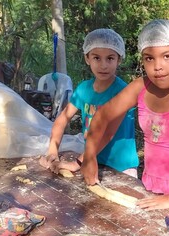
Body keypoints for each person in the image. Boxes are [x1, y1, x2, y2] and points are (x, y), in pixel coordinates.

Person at [81, 19, 169, 210]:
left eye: (167, 56)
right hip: (152, 187)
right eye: (149, 58)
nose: (157, 66)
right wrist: (89, 157)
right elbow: (103, 115)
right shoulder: (141, 87)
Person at [40, 29, 139, 179]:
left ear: (119, 60)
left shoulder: (123, 92)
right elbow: (62, 120)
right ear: (87, 58)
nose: (103, 65)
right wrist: (53, 151)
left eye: (110, 58)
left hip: (121, 167)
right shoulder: (83, 90)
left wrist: (77, 163)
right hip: (92, 161)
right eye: (97, 58)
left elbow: (107, 133)